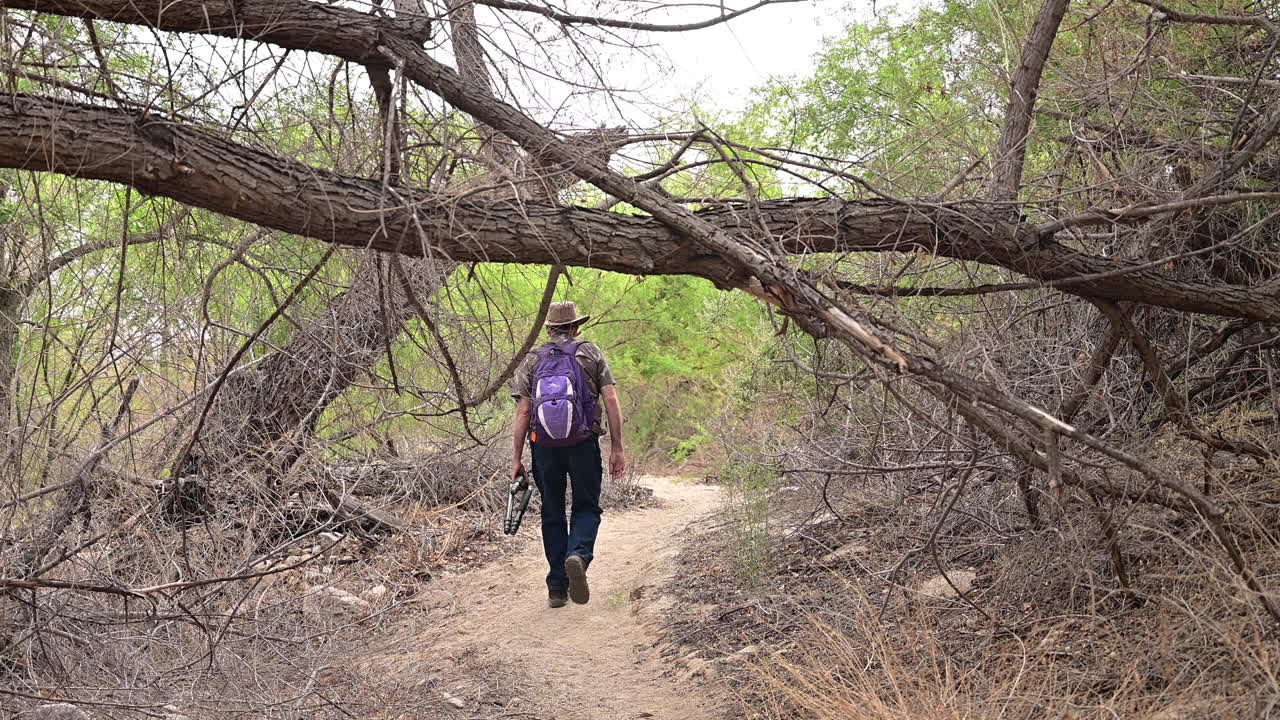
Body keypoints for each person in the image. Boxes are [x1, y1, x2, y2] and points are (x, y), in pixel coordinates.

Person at [511, 301, 626, 608]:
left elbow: (523, 411)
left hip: (543, 446)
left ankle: (557, 588)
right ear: (576, 328)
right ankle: (578, 554)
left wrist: (516, 459)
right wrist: (617, 447)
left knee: (552, 511)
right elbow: (611, 401)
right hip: (583, 442)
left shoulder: (533, 359)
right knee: (586, 506)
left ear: (549, 330)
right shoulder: (590, 353)